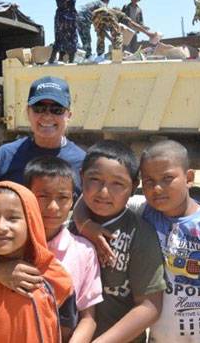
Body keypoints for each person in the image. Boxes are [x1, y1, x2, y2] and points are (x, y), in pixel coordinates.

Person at [74, 140, 200, 342]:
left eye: (167, 178)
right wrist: (86, 225)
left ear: (189, 178)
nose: (157, 188)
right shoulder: (145, 209)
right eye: (149, 181)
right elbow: (90, 199)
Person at [0, 157, 103, 342]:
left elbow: (87, 317)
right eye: (42, 196)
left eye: (63, 197)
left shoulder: (83, 251)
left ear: (72, 201)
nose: (53, 207)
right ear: (26, 198)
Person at [73, 140, 166, 342]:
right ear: (81, 177)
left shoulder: (139, 234)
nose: (104, 192)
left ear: (133, 187)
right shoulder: (69, 228)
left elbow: (150, 306)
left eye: (117, 183)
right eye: (95, 179)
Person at [0, 181, 74, 343]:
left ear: (31, 223)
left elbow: (64, 330)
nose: (0, 227)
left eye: (13, 218)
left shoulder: (56, 277)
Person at [0, 76, 86, 197]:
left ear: (69, 115)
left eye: (56, 109)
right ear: (28, 112)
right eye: (39, 108)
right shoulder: (4, 157)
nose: (47, 116)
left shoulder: (82, 163)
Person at [49, 0, 88, 64]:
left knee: (58, 37)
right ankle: (71, 61)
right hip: (69, 16)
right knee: (72, 38)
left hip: (59, 16)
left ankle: (51, 59)